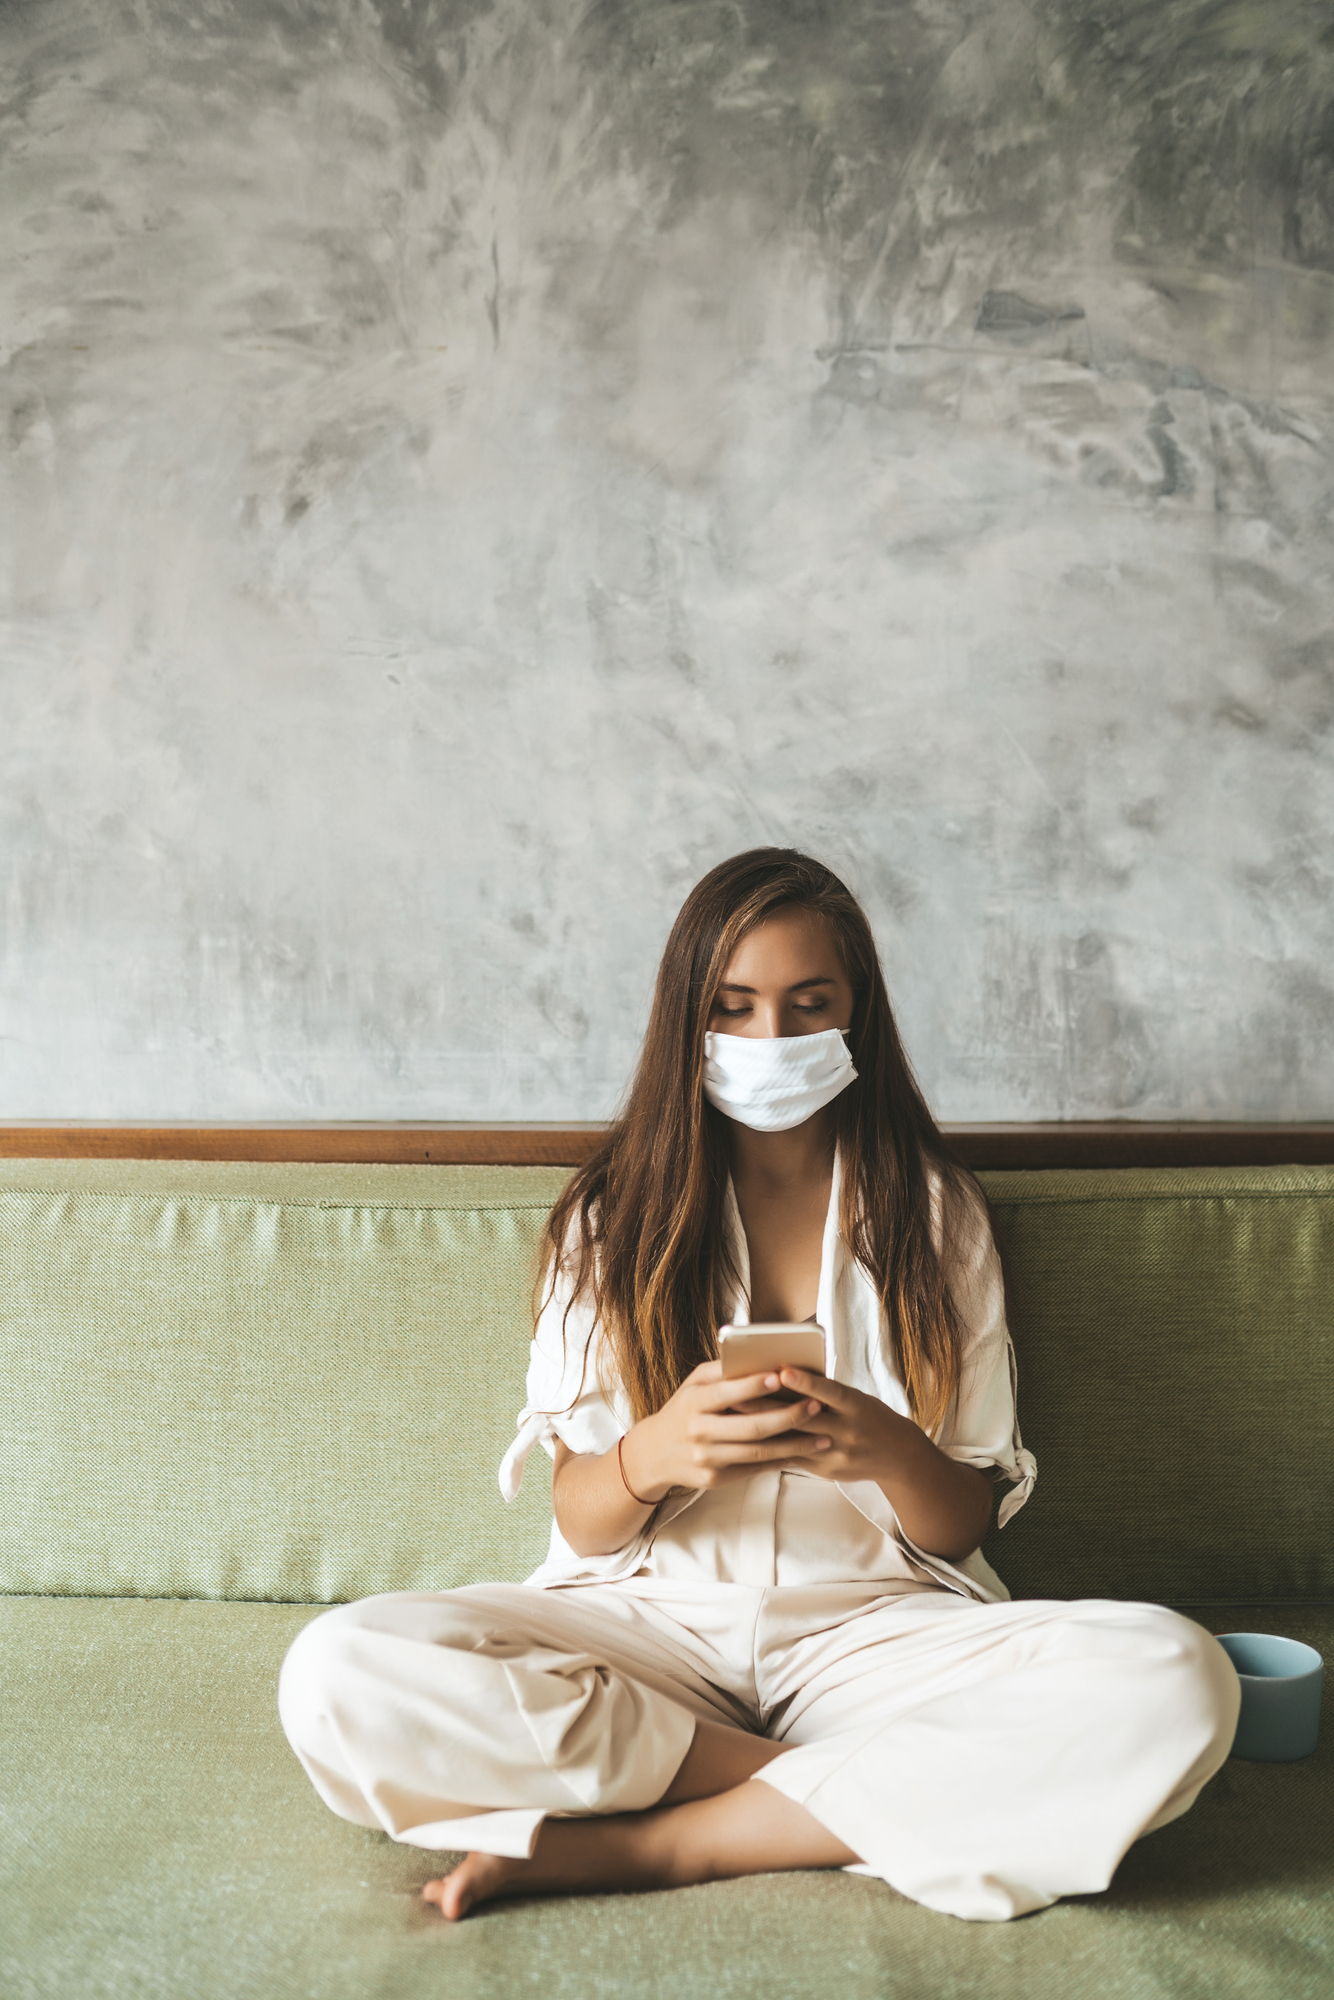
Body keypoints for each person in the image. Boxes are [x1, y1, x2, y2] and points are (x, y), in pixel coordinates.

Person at [279, 848, 1239, 1923]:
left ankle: (652, 1842)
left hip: (871, 1628)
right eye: (732, 1008)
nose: (768, 1041)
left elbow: (964, 1516)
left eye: (804, 1004)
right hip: (646, 1625)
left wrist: (879, 1445)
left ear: (854, 1013)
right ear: (688, 1018)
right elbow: (583, 1521)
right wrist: (655, 1454)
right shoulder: (607, 1221)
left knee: (1175, 1674)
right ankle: (845, 1782)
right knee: (336, 1670)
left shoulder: (935, 1215)